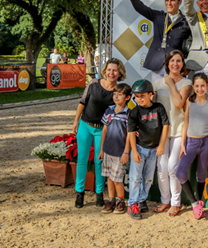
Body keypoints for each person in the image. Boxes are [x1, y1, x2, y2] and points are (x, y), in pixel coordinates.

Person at [72, 58, 127, 208]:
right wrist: (76, 120)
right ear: (104, 70)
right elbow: (83, 101)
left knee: (99, 161)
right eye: (109, 69)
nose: (111, 72)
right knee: (82, 160)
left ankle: (99, 194)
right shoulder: (94, 83)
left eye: (115, 70)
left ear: (119, 72)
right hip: (85, 125)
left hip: (102, 129)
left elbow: (123, 110)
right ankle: (79, 193)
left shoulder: (118, 91)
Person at [120, 0, 191, 81]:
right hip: (157, 64)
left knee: (174, 96)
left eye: (172, 1)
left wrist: (188, 63)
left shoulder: (185, 21)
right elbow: (139, 6)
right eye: (167, 1)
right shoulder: (158, 16)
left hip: (176, 67)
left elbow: (193, 44)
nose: (169, 3)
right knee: (157, 94)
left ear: (179, 2)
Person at [152, 50, 192, 216]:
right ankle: (165, 200)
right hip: (161, 132)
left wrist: (170, 83)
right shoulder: (156, 83)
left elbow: (178, 103)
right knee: (161, 167)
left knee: (172, 167)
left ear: (182, 64)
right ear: (167, 64)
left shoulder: (187, 83)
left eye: (179, 61)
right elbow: (151, 107)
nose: (175, 64)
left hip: (178, 130)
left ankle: (176, 202)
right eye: (172, 61)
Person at [127, 79, 170, 220]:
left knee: (148, 179)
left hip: (153, 150)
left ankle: (142, 199)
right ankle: (132, 204)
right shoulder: (134, 112)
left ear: (151, 94)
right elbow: (131, 132)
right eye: (137, 96)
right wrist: (134, 151)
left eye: (142, 95)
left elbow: (165, 126)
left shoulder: (159, 108)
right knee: (135, 178)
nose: (139, 99)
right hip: (139, 148)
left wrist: (162, 144)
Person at [176, 73, 208, 220]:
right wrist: (182, 144)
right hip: (191, 142)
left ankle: (199, 205)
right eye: (197, 86)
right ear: (193, 87)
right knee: (180, 173)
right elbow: (186, 123)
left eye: (203, 86)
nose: (200, 89)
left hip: (206, 142)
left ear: (207, 86)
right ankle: (194, 203)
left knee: (201, 175)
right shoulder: (189, 101)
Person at [98, 83, 132, 214]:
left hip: (120, 153)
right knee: (109, 178)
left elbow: (130, 134)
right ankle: (111, 200)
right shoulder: (109, 110)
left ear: (128, 97)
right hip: (107, 151)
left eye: (120, 94)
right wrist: (101, 149)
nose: (116, 97)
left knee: (118, 179)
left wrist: (126, 152)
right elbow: (104, 130)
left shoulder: (129, 114)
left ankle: (120, 201)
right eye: (114, 94)